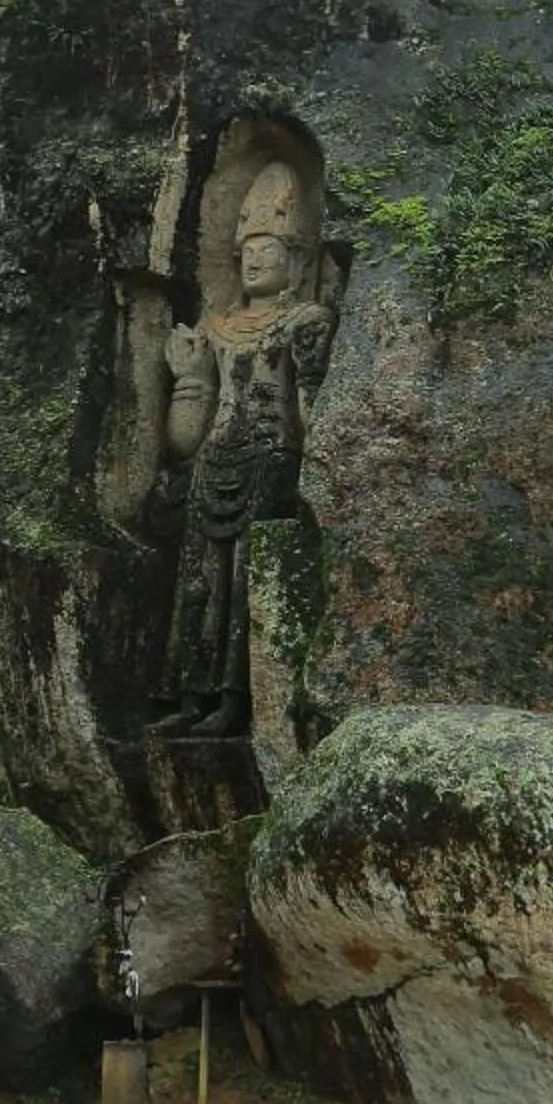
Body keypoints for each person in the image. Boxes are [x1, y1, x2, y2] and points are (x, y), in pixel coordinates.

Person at [155, 160, 334, 736]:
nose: (256, 260)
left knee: (243, 581)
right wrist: (187, 377)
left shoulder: (306, 319)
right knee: (197, 578)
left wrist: (320, 451)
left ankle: (237, 697)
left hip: (270, 457)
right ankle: (188, 692)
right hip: (214, 457)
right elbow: (186, 432)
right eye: (249, 250)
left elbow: (308, 414)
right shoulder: (217, 326)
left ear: (299, 259)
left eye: (271, 249)